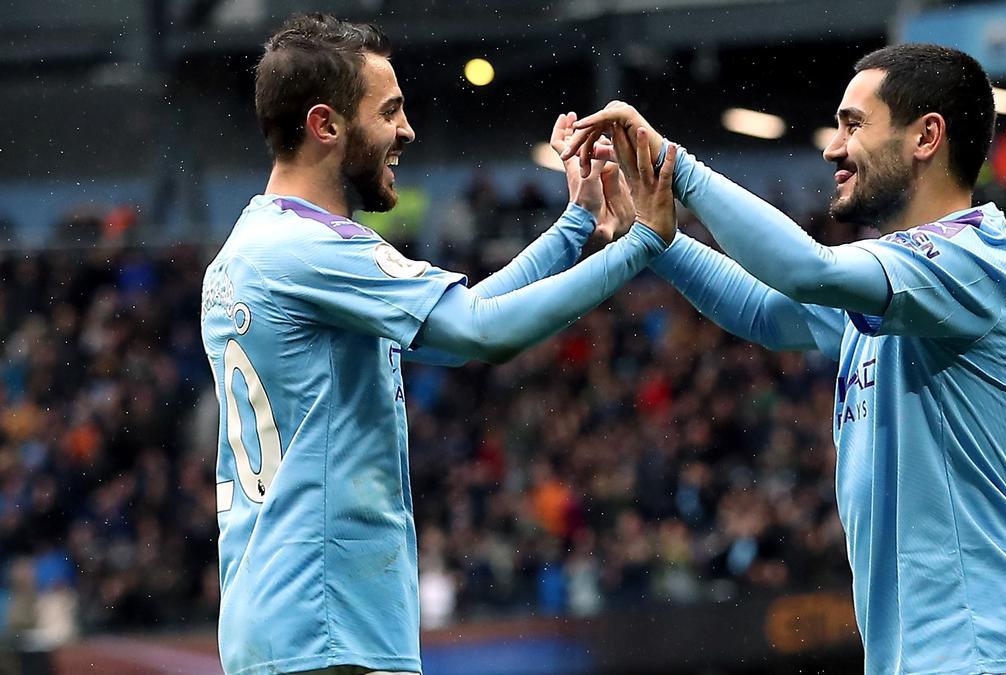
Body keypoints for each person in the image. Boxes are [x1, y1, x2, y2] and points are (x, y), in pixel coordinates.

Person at [564, 43, 1006, 674]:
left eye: (854, 124)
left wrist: (679, 168)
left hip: (988, 655)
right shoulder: (895, 285)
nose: (833, 148)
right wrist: (654, 238)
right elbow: (764, 310)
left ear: (927, 136)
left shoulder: (977, 261)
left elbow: (806, 270)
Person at [200, 13, 678, 675]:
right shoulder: (317, 251)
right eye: (390, 111)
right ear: (325, 125)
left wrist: (576, 229)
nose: (407, 130)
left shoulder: (249, 249)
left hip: (282, 622)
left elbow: (454, 329)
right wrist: (641, 244)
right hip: (329, 625)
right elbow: (481, 332)